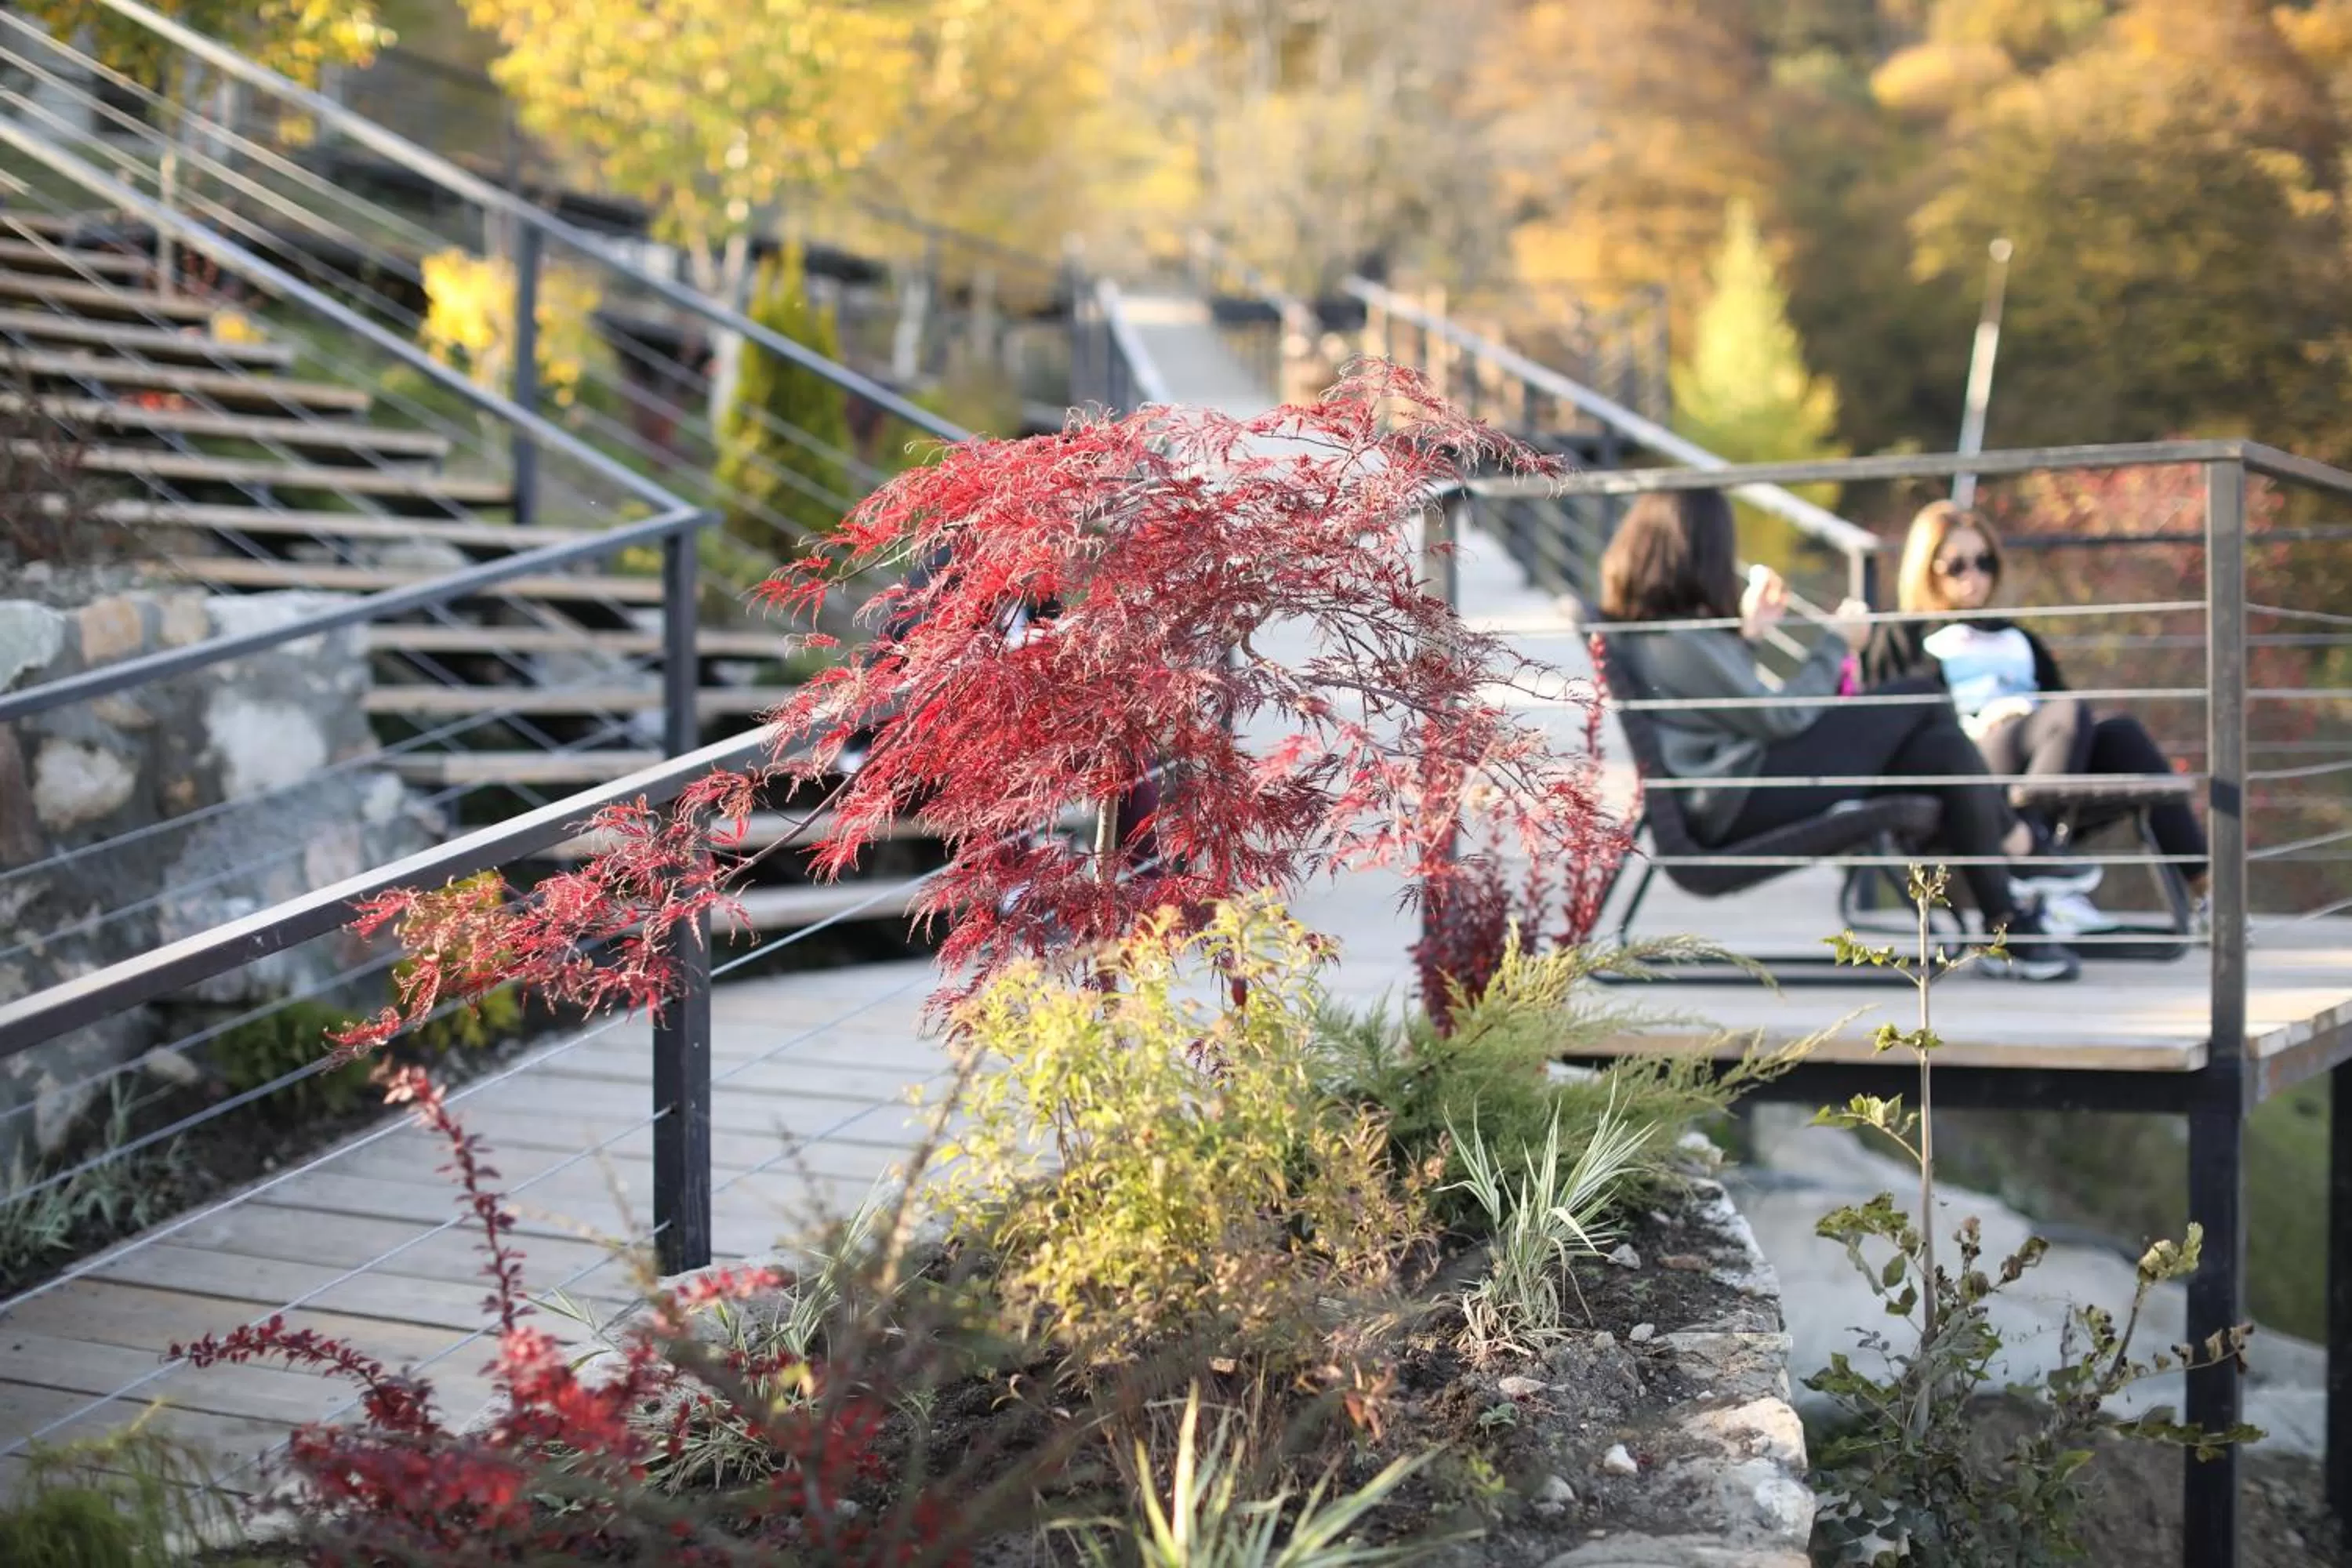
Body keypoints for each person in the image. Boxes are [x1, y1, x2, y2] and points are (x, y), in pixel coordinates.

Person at [1595, 488, 2079, 982]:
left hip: (1740, 789)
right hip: (1737, 801)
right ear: (1695, 550)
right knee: (1918, 695)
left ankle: (2007, 919)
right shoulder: (1674, 638)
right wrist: (1835, 645)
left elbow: (1726, 708)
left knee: (1941, 748)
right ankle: (2019, 849)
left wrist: (1747, 637)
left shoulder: (1670, 632)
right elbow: (1777, 717)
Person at [1862, 501, 2209, 929]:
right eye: (1957, 566)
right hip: (1968, 765)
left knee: (2122, 734)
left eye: (1985, 562)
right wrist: (1980, 722)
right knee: (2061, 714)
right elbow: (1895, 726)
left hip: (2038, 757)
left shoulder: (2016, 636)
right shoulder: (1904, 636)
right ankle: (2034, 859)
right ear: (1926, 568)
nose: (1974, 576)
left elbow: (2062, 708)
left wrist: (2032, 714)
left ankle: (2208, 894)